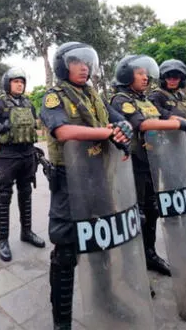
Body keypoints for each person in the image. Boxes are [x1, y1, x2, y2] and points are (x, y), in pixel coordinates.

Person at [38, 41, 133, 329]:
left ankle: (107, 298)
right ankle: (62, 321)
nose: (84, 67)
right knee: (66, 251)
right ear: (63, 66)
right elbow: (63, 131)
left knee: (102, 240)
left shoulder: (95, 95)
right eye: (77, 62)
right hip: (69, 182)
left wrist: (124, 128)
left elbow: (118, 122)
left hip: (99, 178)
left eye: (87, 62)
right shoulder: (53, 97)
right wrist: (108, 132)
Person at [109, 55, 186, 277]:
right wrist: (181, 123)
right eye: (140, 73)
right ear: (126, 74)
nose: (145, 77)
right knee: (136, 214)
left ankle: (149, 254)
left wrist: (185, 124)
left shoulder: (145, 99)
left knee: (152, 210)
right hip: (133, 164)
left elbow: (162, 117)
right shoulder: (120, 99)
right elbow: (141, 124)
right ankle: (131, 265)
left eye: (145, 73)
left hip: (152, 161)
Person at [0, 67, 45, 262]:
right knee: (4, 195)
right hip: (8, 155)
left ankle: (26, 232)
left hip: (27, 153)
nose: (20, 84)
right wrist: (0, 127)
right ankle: (3, 240)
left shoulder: (28, 103)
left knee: (26, 192)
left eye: (22, 81)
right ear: (7, 83)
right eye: (15, 81)